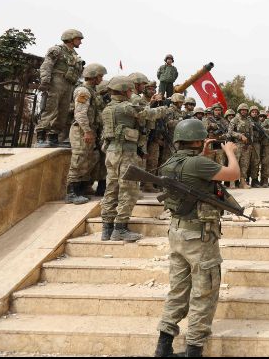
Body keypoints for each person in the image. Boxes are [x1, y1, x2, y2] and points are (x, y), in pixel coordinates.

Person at [154, 119, 239, 358]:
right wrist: (230, 153)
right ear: (198, 140)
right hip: (199, 236)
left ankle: (164, 345)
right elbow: (233, 173)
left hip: (177, 232)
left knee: (178, 289)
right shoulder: (199, 164)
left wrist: (202, 152)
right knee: (204, 291)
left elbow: (191, 169)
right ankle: (194, 349)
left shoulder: (170, 163)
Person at [100, 76, 167, 242]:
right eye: (129, 90)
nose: (131, 92)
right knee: (128, 190)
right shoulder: (125, 107)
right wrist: (166, 109)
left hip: (112, 152)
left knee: (111, 189)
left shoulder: (108, 108)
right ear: (124, 91)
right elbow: (149, 114)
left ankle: (107, 229)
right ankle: (120, 229)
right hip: (126, 152)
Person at [65, 63, 107, 204]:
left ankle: (80, 190)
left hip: (90, 130)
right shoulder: (83, 91)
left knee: (87, 160)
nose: (101, 79)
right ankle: (71, 193)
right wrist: (87, 131)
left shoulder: (92, 91)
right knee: (79, 159)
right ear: (93, 76)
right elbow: (80, 113)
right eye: (100, 76)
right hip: (81, 131)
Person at [36, 29, 85, 147]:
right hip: (56, 81)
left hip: (69, 84)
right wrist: (45, 80)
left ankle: (53, 138)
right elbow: (46, 65)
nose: (80, 42)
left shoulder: (74, 55)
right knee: (50, 108)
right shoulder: (57, 50)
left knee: (63, 111)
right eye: (79, 39)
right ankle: (40, 137)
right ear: (71, 38)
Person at [227, 103, 253, 189]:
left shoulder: (249, 121)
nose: (244, 111)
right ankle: (232, 182)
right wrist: (240, 136)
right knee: (235, 163)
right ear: (239, 110)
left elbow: (251, 133)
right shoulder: (234, 120)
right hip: (237, 144)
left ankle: (242, 182)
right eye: (242, 110)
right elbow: (230, 132)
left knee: (244, 164)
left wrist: (250, 143)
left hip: (246, 146)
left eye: (245, 110)